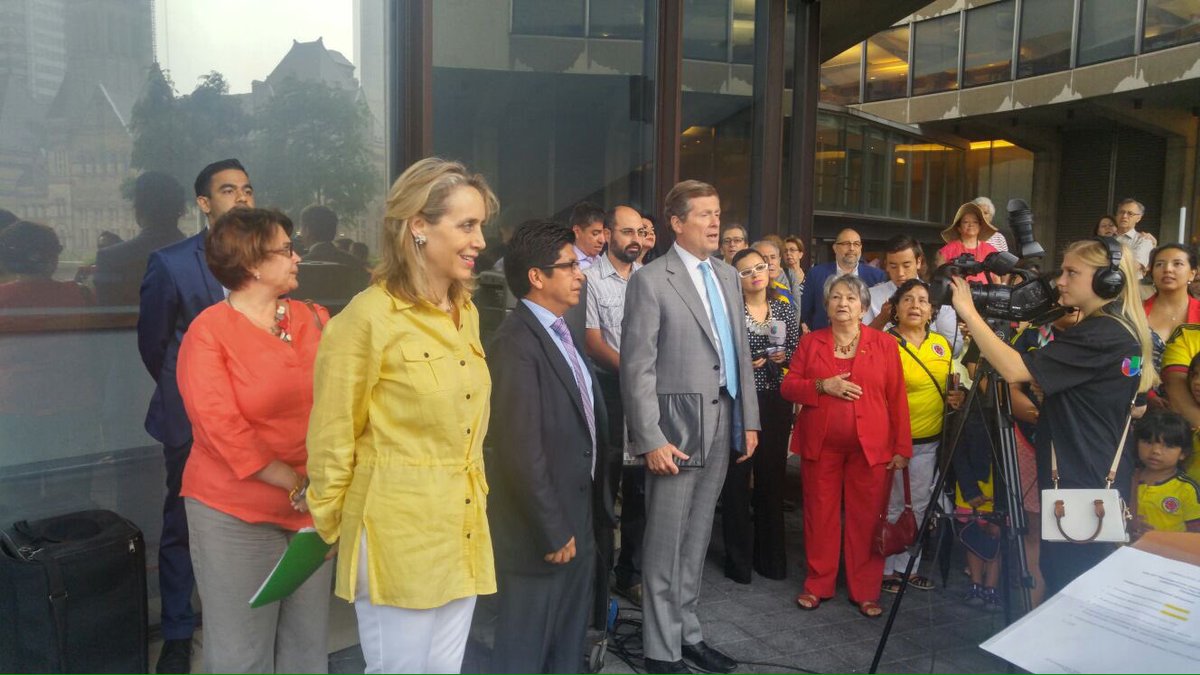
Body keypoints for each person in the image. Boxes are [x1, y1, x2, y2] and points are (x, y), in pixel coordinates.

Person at [305, 158, 498, 674]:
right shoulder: (366, 319)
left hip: (462, 523)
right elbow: (332, 437)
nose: (480, 240)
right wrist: (330, 526)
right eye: (466, 225)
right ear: (418, 226)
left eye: (481, 225)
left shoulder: (465, 311)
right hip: (397, 532)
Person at [948, 237, 1156, 595]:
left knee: (1070, 581)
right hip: (1088, 472)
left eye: (1072, 272)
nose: (1060, 281)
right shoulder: (1115, 327)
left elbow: (1014, 369)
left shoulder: (1102, 332)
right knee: (1069, 574)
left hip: (1081, 478)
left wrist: (968, 311)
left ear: (1107, 281)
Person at [175, 207, 331, 673]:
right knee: (242, 653)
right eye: (287, 250)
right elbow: (220, 426)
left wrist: (327, 483)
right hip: (234, 512)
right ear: (253, 264)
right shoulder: (209, 332)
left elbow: (344, 402)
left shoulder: (315, 319)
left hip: (312, 510)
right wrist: (292, 481)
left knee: (307, 648)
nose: (297, 257)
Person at [621, 180, 760, 674]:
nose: (715, 222)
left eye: (717, 212)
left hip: (724, 415)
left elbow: (739, 351)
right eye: (703, 214)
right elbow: (637, 367)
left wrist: (749, 420)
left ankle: (688, 634)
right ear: (677, 223)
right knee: (666, 541)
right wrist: (650, 439)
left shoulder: (727, 275)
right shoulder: (651, 280)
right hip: (676, 426)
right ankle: (661, 651)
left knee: (698, 535)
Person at [137, 158, 254, 673]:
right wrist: (190, 390)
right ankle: (179, 632)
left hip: (254, 417)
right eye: (228, 190)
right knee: (183, 523)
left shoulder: (270, 259)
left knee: (249, 518)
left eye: (247, 189)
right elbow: (154, 343)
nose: (241, 198)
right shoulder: (171, 263)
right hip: (190, 417)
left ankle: (247, 621)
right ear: (205, 203)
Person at [485, 221, 606, 673]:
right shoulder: (515, 342)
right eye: (569, 265)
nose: (580, 274)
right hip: (541, 529)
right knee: (525, 649)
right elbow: (519, 449)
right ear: (536, 276)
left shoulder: (559, 330)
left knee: (566, 645)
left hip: (577, 513)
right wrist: (551, 528)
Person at [781, 274, 911, 617]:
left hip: (871, 447)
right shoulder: (811, 343)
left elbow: (897, 398)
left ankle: (865, 590)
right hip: (820, 445)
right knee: (819, 515)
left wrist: (901, 447)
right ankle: (818, 583)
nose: (843, 303)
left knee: (866, 518)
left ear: (864, 307)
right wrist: (822, 386)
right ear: (826, 306)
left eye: (851, 298)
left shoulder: (884, 344)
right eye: (836, 297)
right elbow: (789, 387)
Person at [721, 248, 798, 583]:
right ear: (735, 278)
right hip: (740, 399)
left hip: (776, 398)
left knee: (772, 477)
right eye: (745, 271)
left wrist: (784, 357)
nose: (755, 274)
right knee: (738, 478)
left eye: (760, 267)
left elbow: (796, 351)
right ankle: (738, 562)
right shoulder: (730, 311)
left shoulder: (783, 307)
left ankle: (771, 559)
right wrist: (745, 365)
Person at [880, 279, 961, 595]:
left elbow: (952, 383)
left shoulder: (941, 344)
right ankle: (885, 568)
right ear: (896, 308)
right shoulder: (885, 342)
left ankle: (907, 568)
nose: (915, 305)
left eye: (923, 300)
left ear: (931, 311)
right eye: (908, 299)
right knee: (892, 506)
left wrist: (957, 397)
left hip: (931, 442)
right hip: (892, 442)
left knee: (920, 505)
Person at [583, 205, 645, 605]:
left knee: (640, 486)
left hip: (645, 394)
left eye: (639, 231)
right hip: (608, 389)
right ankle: (596, 578)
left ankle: (630, 575)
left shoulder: (650, 278)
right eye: (626, 232)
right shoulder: (589, 279)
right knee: (604, 486)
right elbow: (591, 341)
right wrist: (633, 370)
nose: (635, 239)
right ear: (607, 234)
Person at [94, 171, 188, 306]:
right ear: (179, 210)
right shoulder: (206, 258)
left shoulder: (110, 259)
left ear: (139, 209)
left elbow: (107, 315)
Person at [863, 235, 962, 356]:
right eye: (893, 266)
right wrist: (881, 320)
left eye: (906, 265)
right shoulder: (871, 295)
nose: (900, 273)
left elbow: (955, 347)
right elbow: (860, 344)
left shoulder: (939, 295)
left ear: (918, 262)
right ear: (886, 265)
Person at [799, 228, 886, 331]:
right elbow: (806, 311)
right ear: (835, 248)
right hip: (824, 336)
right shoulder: (816, 274)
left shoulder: (877, 276)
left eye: (856, 244)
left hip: (865, 338)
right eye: (846, 244)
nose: (852, 248)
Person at [1130, 410, 1200, 537]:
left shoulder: (1187, 489)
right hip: (1122, 548)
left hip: (1170, 549)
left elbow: (1196, 536)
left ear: (1183, 453)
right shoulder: (1126, 478)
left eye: (1168, 446)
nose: (1156, 451)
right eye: (1148, 442)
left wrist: (1160, 538)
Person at [1143, 244, 1200, 389]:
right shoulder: (1134, 312)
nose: (1167, 269)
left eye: (1177, 264)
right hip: (1139, 395)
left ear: (1192, 273)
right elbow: (1125, 358)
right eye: (1159, 264)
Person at [935, 202, 999, 282]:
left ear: (980, 227)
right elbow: (939, 278)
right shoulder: (947, 250)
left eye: (975, 222)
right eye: (965, 222)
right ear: (959, 228)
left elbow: (996, 279)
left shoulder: (991, 251)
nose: (971, 225)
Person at [1113, 198, 1155, 273]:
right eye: (1121, 212)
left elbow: (1134, 266)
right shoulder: (1107, 238)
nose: (1124, 216)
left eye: (1130, 213)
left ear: (1138, 218)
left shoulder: (1144, 240)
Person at [751, 239, 794, 305]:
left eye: (773, 257)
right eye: (764, 258)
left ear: (779, 260)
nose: (770, 262)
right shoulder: (748, 291)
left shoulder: (784, 291)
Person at [570, 201, 606, 270]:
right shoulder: (566, 263)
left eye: (604, 233)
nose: (602, 240)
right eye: (595, 233)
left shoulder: (602, 262)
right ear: (577, 231)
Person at [781, 236, 806, 306]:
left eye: (792, 250)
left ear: (800, 254)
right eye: (785, 251)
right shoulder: (779, 276)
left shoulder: (809, 276)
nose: (788, 253)